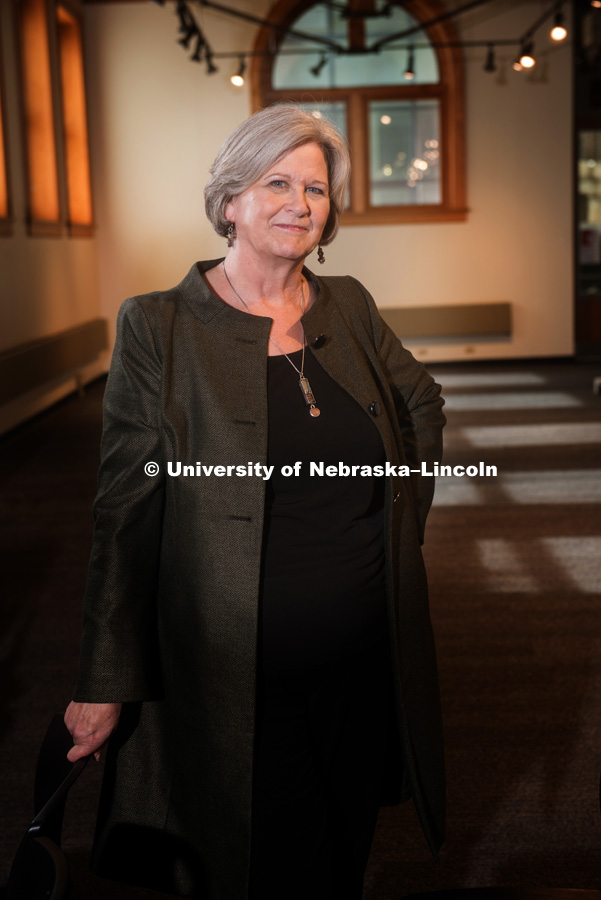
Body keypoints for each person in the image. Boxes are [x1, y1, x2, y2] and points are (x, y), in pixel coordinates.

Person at [64, 105, 446, 900]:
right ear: (230, 200)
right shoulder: (160, 327)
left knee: (343, 850)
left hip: (363, 649)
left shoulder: (347, 305)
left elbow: (421, 405)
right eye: (276, 182)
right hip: (234, 664)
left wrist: (395, 523)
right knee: (259, 858)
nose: (298, 203)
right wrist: (105, 676)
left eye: (315, 187)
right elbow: (125, 513)